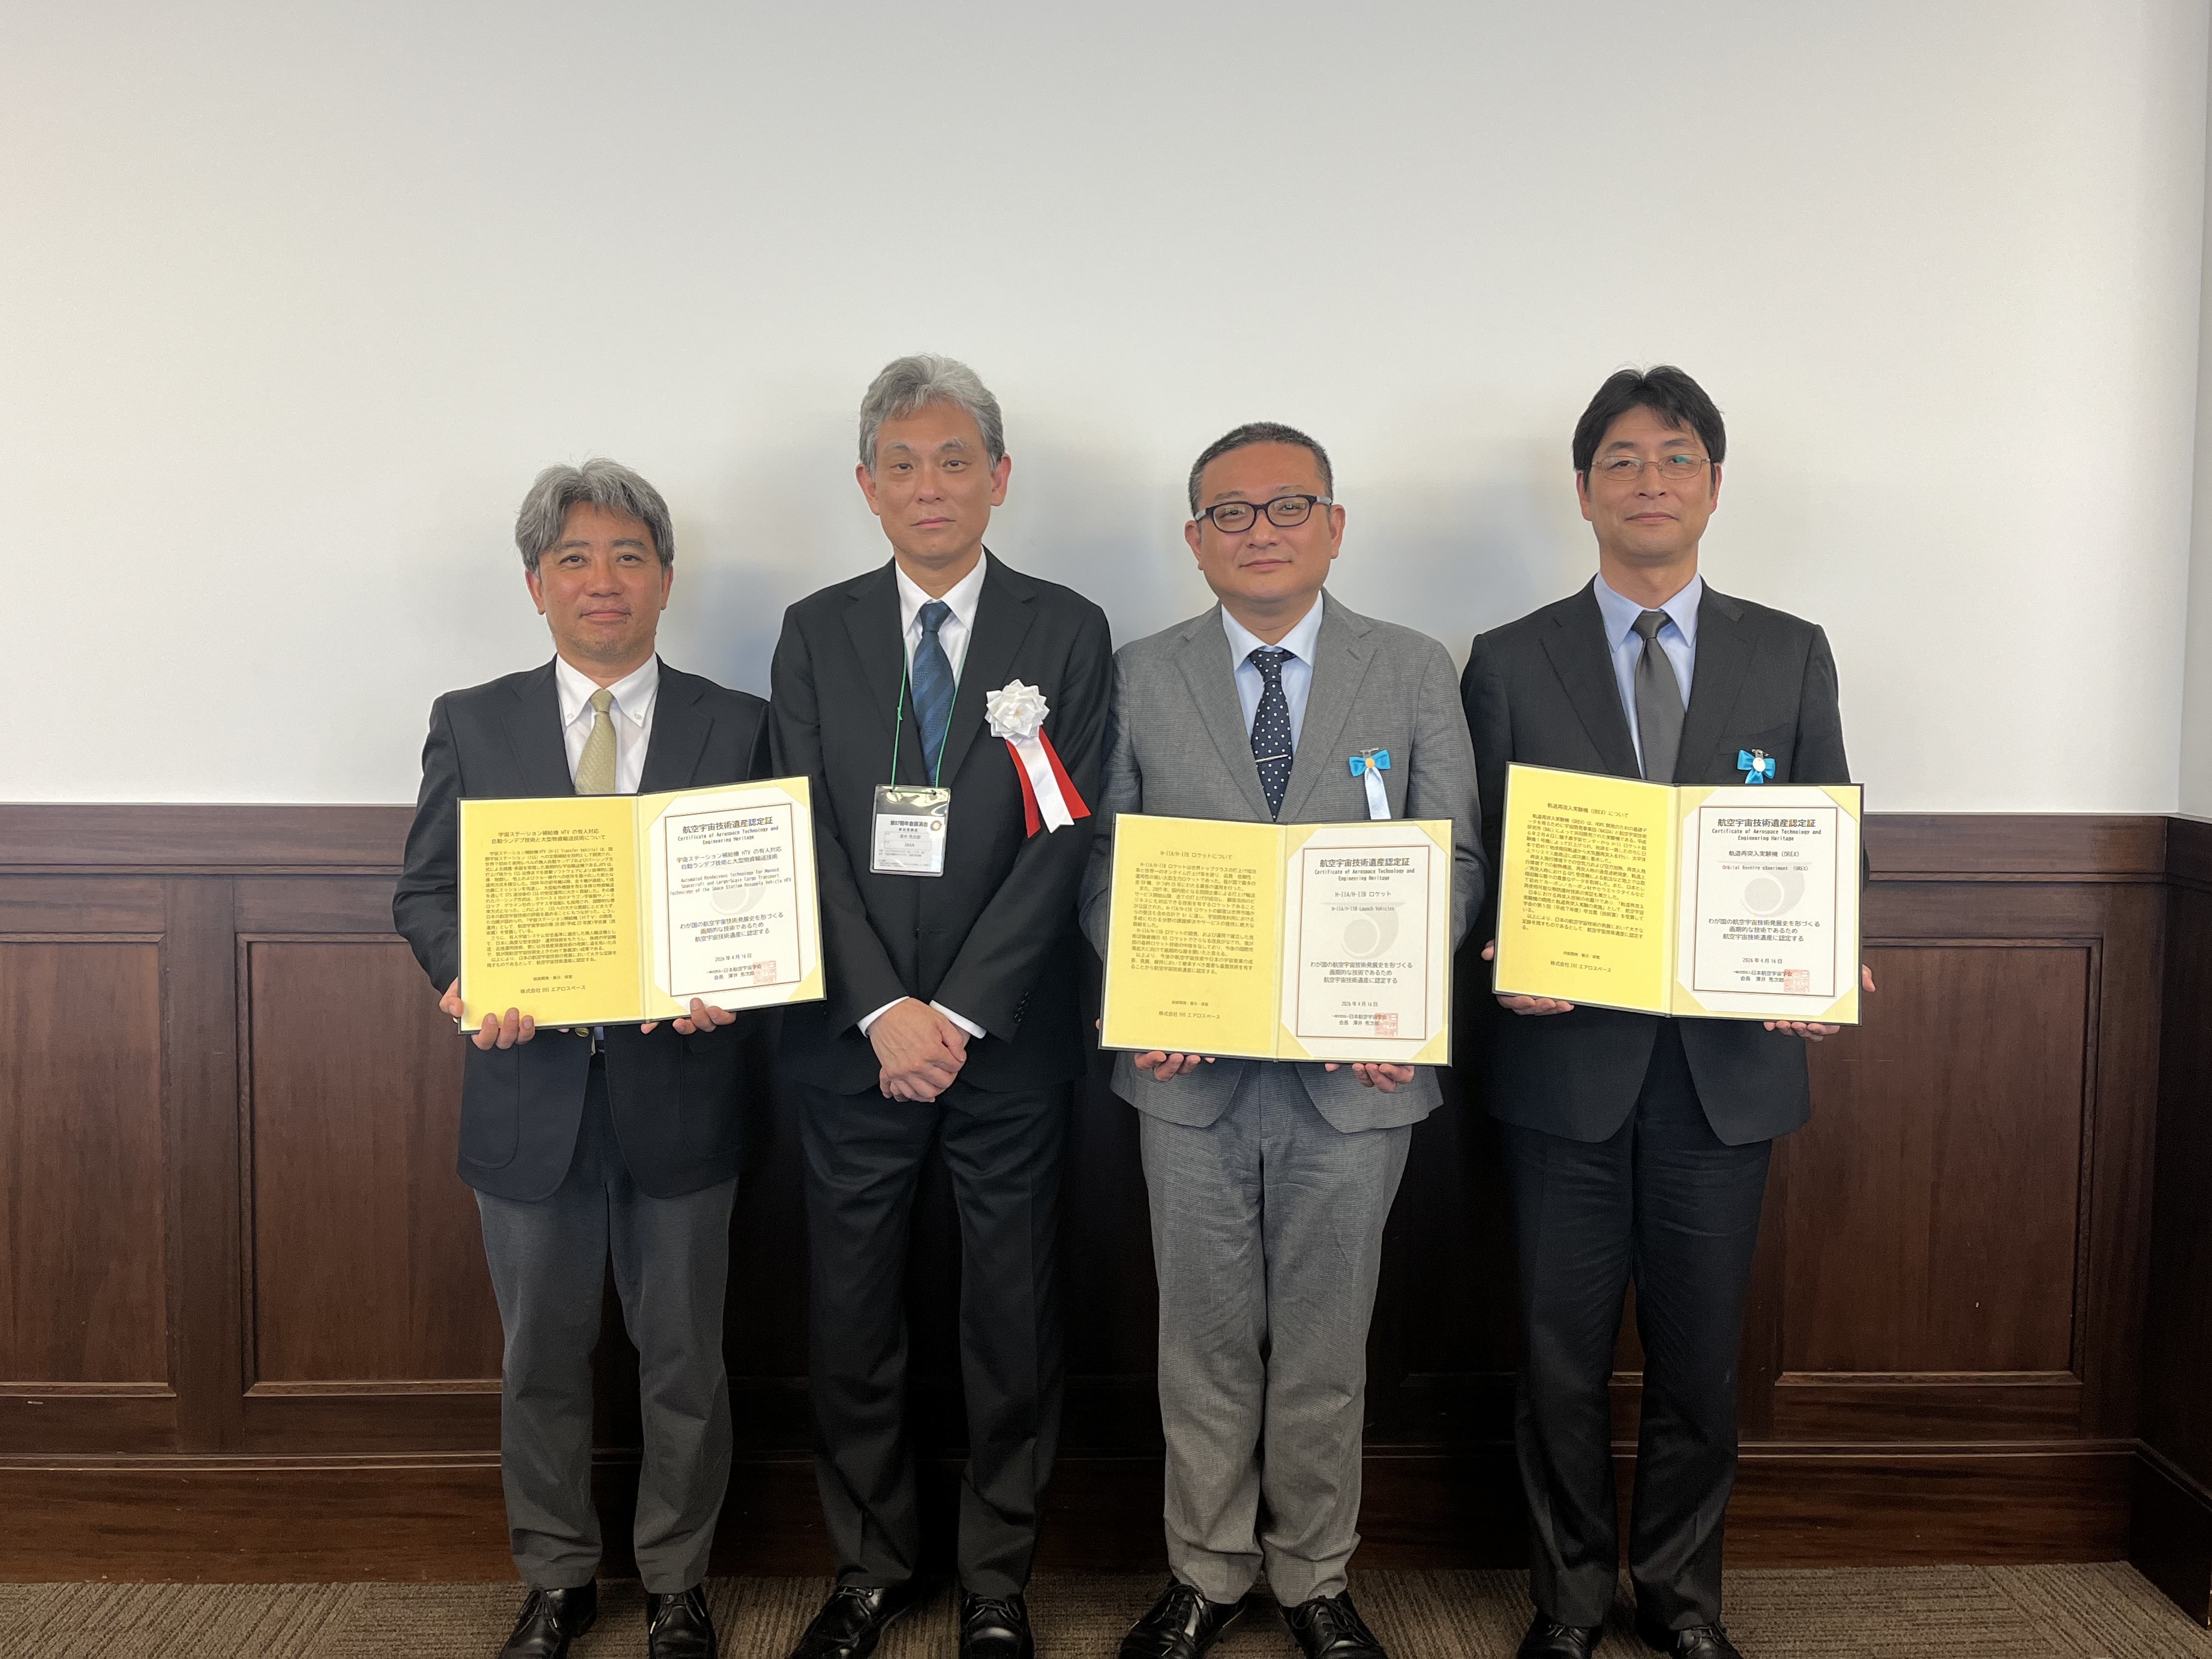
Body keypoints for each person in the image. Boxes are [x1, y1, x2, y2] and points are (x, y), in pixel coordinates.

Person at [1460, 368, 1869, 1659]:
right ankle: (1569, 1603)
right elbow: (1478, 849)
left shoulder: (1788, 650)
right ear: (1582, 491)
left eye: (1677, 457)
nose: (1650, 481)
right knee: (1558, 1360)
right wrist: (1491, 946)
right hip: (1562, 1061)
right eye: (1623, 461)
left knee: (1700, 1361)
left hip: (1724, 1072)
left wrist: (1827, 953)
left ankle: (1683, 1601)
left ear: (1713, 485)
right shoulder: (1507, 657)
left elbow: (1824, 828)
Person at [1080, 422, 1484, 1659]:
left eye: (1288, 505)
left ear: (1335, 526)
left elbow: (1457, 860)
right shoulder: (1139, 675)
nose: (1260, 531)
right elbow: (1104, 862)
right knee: (1198, 1344)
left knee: (1324, 1345)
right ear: (1194, 539)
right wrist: (1147, 989)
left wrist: (1397, 995)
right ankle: (1203, 1571)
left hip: (1354, 1077)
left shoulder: (1411, 669)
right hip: (1187, 1076)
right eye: (1231, 512)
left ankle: (1314, 1576)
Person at [394, 459, 769, 1659]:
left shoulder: (737, 723)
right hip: (528, 1095)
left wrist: (738, 979)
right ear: (535, 585)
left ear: (665, 578)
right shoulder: (473, 720)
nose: (602, 580)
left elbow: (762, 895)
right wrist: (466, 978)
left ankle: (676, 1581)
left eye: (627, 557)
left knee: (685, 1360)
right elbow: (427, 891)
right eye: (574, 559)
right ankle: (556, 1578)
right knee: (540, 1361)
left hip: (685, 1091)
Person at [769, 355, 1112, 1659]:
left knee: (1010, 1321)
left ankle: (995, 1581)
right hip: (853, 1045)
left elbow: (1065, 837)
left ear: (999, 479)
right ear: (866, 487)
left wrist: (958, 1013)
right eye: (902, 465)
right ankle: (870, 1567)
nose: (930, 486)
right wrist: (883, 1010)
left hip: (1004, 1045)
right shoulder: (815, 630)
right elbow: (803, 831)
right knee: (853, 1319)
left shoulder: (1065, 627)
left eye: (955, 461)